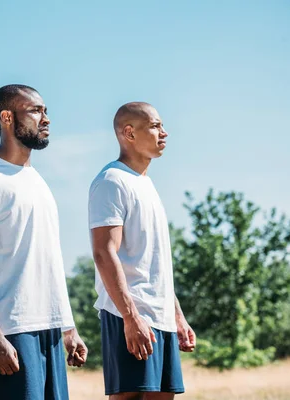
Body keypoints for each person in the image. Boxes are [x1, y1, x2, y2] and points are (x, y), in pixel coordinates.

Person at [0, 84, 87, 400]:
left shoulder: (38, 181)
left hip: (49, 331)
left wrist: (67, 326)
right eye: (35, 111)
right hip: (11, 331)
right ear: (7, 117)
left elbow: (48, 260)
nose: (45, 119)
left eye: (45, 111)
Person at [88, 102, 196, 400]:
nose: (164, 132)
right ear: (129, 132)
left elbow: (154, 262)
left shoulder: (146, 185)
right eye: (155, 126)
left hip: (159, 316)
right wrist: (130, 317)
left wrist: (177, 315)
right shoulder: (112, 181)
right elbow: (104, 253)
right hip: (130, 315)